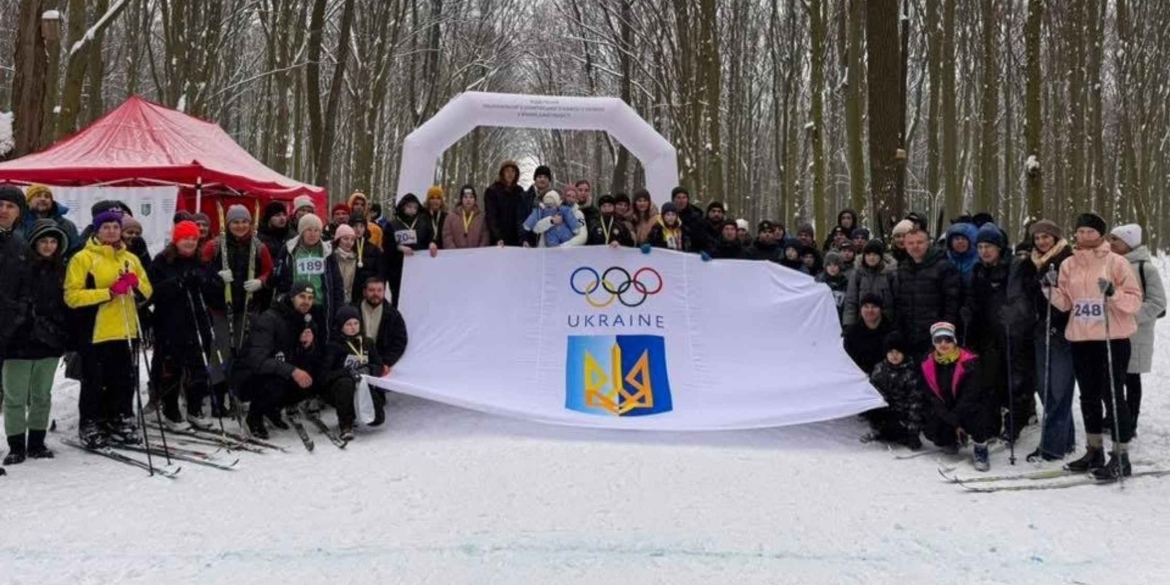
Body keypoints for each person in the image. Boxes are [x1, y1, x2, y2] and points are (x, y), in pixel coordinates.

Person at [1045, 213, 1143, 480]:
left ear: (1101, 234)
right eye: (1080, 231)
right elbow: (1067, 303)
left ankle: (1121, 457)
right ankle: (1094, 450)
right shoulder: (1068, 264)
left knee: (1112, 396)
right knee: (1087, 396)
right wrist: (1050, 290)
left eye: (1090, 231)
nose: (1085, 236)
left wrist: (1113, 293)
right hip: (1081, 338)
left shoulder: (1117, 262)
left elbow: (1135, 301)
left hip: (1112, 338)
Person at [64, 211, 154, 448]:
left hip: (125, 329)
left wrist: (136, 284)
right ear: (97, 230)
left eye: (115, 227)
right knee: (94, 381)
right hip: (96, 330)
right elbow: (72, 296)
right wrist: (108, 293)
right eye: (106, 227)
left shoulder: (130, 258)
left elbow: (147, 290)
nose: (112, 231)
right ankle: (91, 423)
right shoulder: (83, 258)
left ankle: (120, 419)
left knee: (124, 380)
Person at [3, 220, 71, 463]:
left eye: (53, 241)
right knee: (15, 397)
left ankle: (36, 442)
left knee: (42, 395)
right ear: (34, 243)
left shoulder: (62, 270)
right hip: (18, 342)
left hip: (49, 342)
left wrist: (60, 330)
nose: (48, 246)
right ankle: (16, 445)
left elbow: (67, 305)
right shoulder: (18, 268)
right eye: (43, 241)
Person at [964, 223, 1036, 441]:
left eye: (989, 246)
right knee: (990, 381)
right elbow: (973, 298)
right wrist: (967, 311)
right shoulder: (978, 270)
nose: (984, 251)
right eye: (980, 247)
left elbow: (1027, 299)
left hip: (1013, 333)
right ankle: (991, 425)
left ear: (999, 247)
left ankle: (1015, 423)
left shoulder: (1015, 266)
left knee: (1016, 381)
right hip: (988, 334)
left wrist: (1014, 313)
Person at [232, 281, 323, 439]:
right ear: (292, 297)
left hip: (280, 368)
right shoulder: (269, 319)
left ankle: (272, 410)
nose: (306, 302)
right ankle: (254, 417)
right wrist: (293, 371)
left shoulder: (307, 321)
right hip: (249, 376)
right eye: (302, 297)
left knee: (312, 377)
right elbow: (257, 361)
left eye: (310, 298)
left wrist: (307, 347)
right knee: (277, 381)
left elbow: (308, 359)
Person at [1018, 219, 1076, 461]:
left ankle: (1052, 446)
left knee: (1058, 389)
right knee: (1044, 387)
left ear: (1055, 238)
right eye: (1037, 237)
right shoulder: (1032, 261)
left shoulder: (1067, 260)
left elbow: (1074, 296)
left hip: (1062, 331)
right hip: (1039, 329)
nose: (1041, 241)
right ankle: (1066, 438)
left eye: (1046, 237)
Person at [148, 221, 214, 428]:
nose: (190, 242)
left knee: (198, 367)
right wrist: (177, 282)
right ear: (176, 240)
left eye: (194, 239)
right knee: (172, 369)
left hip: (198, 322)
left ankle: (194, 408)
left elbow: (211, 288)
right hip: (170, 323)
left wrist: (206, 281)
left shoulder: (200, 261)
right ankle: (171, 411)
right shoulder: (162, 261)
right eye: (186, 238)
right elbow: (152, 292)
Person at [1108, 224, 1165, 434]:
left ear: (1128, 242)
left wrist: (1130, 315)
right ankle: (1114, 417)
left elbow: (1158, 302)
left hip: (1135, 334)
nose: (1111, 243)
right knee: (1112, 377)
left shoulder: (1145, 268)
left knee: (1131, 378)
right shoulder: (1110, 264)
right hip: (1112, 331)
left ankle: (1130, 421)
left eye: (1116, 239)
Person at [203, 204, 274, 357]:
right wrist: (217, 275)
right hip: (221, 308)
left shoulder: (259, 247)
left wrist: (260, 282)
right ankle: (222, 373)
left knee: (247, 349)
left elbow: (270, 271)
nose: (240, 226)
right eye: (235, 222)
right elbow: (202, 270)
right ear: (228, 224)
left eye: (244, 222)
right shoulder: (214, 246)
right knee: (222, 350)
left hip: (248, 307)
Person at [921, 322, 993, 471]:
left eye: (947, 339)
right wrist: (949, 418)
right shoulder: (927, 363)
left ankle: (980, 447)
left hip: (967, 407)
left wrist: (956, 418)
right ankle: (951, 439)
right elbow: (930, 395)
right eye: (938, 340)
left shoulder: (969, 361)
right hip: (947, 409)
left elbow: (972, 394)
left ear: (954, 341)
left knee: (977, 412)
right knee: (932, 424)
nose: (943, 344)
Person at [318, 306, 385, 440]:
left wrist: (368, 369)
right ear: (340, 326)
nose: (353, 327)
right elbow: (323, 376)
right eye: (348, 324)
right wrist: (347, 372)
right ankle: (345, 425)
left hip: (362, 387)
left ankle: (357, 410)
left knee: (377, 419)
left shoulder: (367, 343)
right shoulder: (334, 346)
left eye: (356, 323)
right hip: (339, 390)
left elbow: (379, 365)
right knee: (346, 383)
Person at [894, 229, 962, 357]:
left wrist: (946, 330)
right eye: (910, 243)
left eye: (919, 242)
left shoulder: (944, 267)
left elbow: (952, 302)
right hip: (909, 333)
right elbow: (899, 301)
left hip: (936, 334)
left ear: (928, 243)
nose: (915, 246)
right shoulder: (903, 269)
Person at [355, 277, 408, 426]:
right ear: (364, 292)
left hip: (378, 360)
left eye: (379, 290)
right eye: (371, 290)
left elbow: (400, 341)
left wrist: (386, 362)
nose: (375, 294)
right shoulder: (353, 310)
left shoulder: (393, 314)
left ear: (385, 292)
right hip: (355, 357)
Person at [863, 331, 925, 450]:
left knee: (896, 432)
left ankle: (904, 434)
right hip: (885, 409)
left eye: (898, 352)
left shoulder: (910, 373)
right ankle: (877, 430)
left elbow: (916, 403)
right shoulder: (880, 369)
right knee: (873, 411)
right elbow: (872, 390)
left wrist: (913, 430)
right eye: (891, 352)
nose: (894, 356)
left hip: (903, 414)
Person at [279, 213, 341, 328]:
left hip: (319, 305)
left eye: (316, 230)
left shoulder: (327, 252)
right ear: (302, 231)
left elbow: (337, 282)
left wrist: (338, 307)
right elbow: (278, 274)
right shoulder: (289, 249)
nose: (313, 234)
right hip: (296, 304)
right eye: (309, 230)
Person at [385, 194, 437, 308]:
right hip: (398, 268)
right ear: (403, 207)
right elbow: (387, 245)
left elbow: (430, 238)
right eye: (409, 206)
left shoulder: (423, 223)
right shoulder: (392, 225)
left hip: (418, 267)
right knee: (398, 296)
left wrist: (432, 243)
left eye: (415, 207)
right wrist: (399, 247)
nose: (412, 210)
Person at [843, 239, 896, 328]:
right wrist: (849, 324)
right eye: (868, 254)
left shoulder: (890, 274)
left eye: (875, 254)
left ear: (881, 256)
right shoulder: (857, 274)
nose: (871, 258)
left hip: (886, 324)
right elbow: (851, 301)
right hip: (862, 322)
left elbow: (897, 301)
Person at [22, 184, 81, 255]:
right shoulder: (19, 223)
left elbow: (75, 250)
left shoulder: (67, 225)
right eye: (38, 196)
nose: (43, 199)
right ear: (28, 201)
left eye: (47, 196)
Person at [844, 293, 894, 375]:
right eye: (866, 306)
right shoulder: (851, 333)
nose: (870, 310)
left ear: (880, 309)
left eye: (874, 306)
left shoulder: (892, 332)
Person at [484, 160, 526, 247]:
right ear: (502, 173)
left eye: (513, 171)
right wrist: (498, 237)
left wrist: (523, 238)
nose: (510, 174)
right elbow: (491, 217)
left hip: (516, 239)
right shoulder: (492, 191)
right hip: (498, 240)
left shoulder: (519, 191)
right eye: (507, 171)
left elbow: (522, 216)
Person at [347, 214, 384, 304]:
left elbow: (380, 272)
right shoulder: (346, 247)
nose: (358, 229)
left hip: (368, 292)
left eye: (361, 226)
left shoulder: (374, 249)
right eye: (355, 226)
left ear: (365, 228)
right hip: (349, 292)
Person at [328, 224, 364, 310]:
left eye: (352, 240)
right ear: (338, 240)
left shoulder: (355, 258)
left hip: (350, 302)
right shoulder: (330, 258)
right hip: (333, 301)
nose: (349, 242)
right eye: (346, 239)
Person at [442, 185, 491, 249]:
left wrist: (479, 252)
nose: (468, 200)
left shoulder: (482, 218)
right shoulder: (450, 217)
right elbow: (447, 236)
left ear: (475, 200)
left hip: (476, 254)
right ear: (461, 199)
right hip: (455, 254)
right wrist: (454, 252)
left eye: (471, 197)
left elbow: (485, 236)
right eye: (465, 197)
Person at [522, 166, 555, 246]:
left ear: (549, 180)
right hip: (530, 242)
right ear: (535, 179)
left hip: (550, 243)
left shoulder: (555, 196)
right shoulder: (525, 197)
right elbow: (521, 219)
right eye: (539, 177)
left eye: (545, 177)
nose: (542, 179)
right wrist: (524, 239)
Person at [670, 186, 707, 253]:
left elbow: (704, 237)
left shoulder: (696, 216)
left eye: (684, 197)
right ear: (673, 199)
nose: (681, 201)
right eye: (678, 197)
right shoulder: (667, 216)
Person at [817, 252, 849, 321]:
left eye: (835, 265)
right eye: (829, 265)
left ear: (840, 266)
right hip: (822, 318)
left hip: (839, 319)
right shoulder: (819, 282)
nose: (832, 267)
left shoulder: (845, 283)